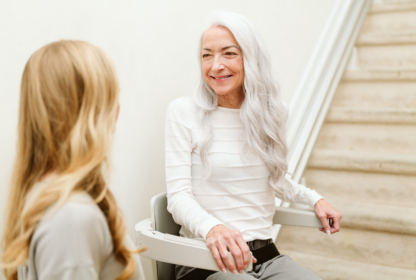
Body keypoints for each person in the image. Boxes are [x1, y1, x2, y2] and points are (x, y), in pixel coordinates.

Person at [165, 11, 342, 280]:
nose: (215, 66)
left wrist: (313, 199)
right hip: (206, 260)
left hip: (266, 258)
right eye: (206, 55)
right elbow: (177, 196)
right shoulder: (183, 112)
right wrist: (214, 228)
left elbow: (276, 179)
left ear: (251, 57)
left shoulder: (273, 112)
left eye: (229, 53)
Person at [1, 40, 145, 280]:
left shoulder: (44, 197)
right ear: (90, 112)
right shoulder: (70, 218)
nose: (118, 109)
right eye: (112, 96)